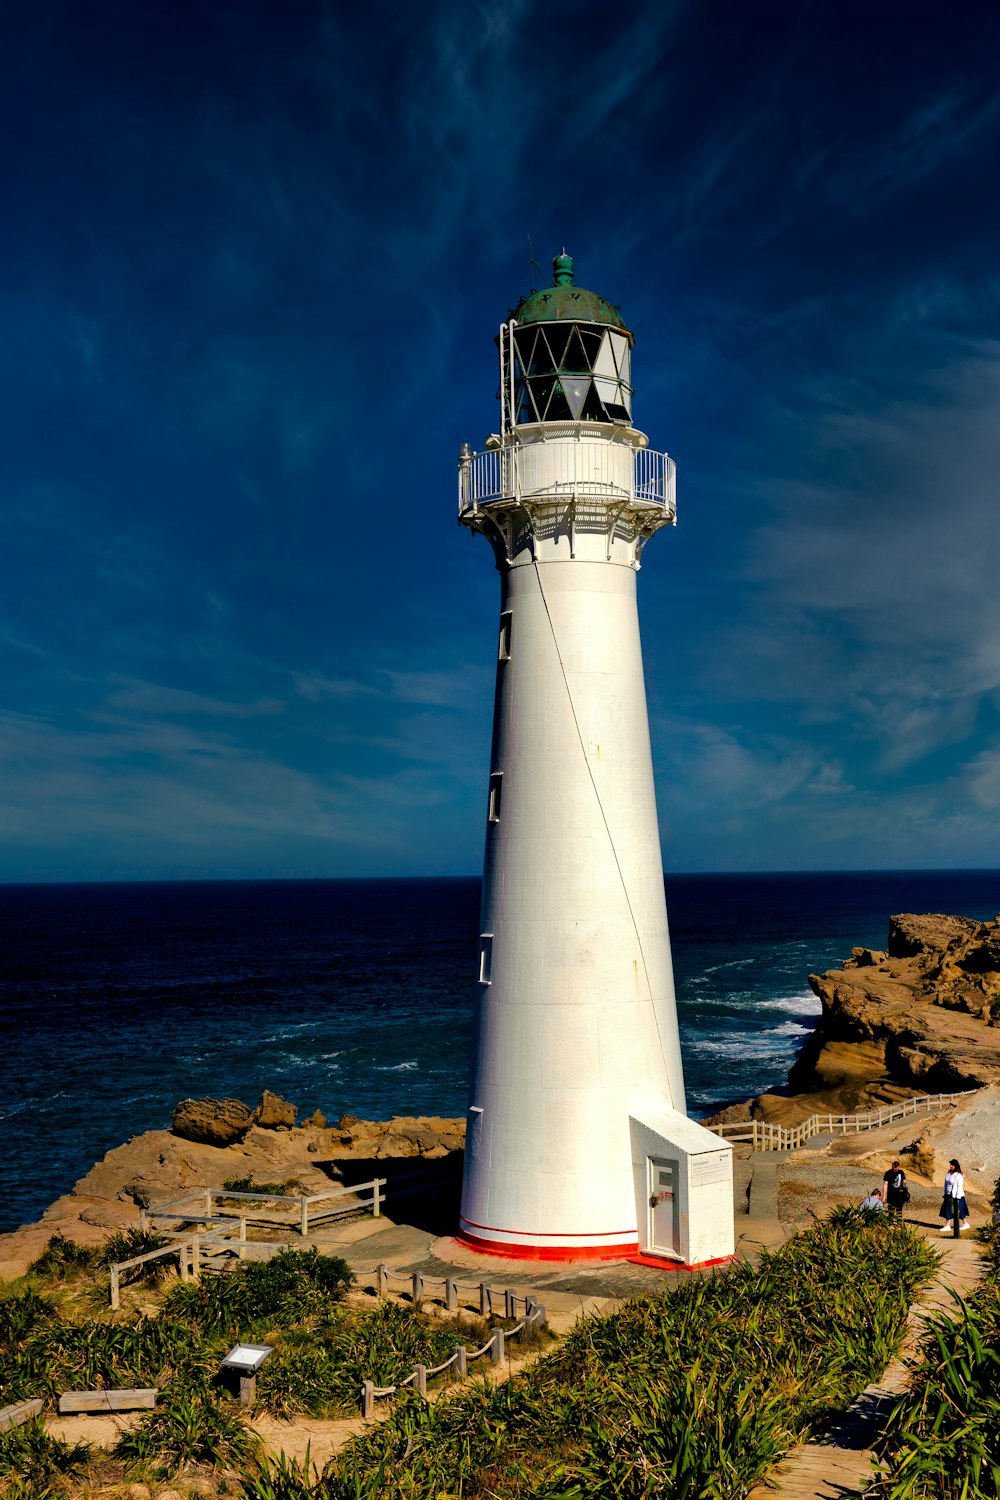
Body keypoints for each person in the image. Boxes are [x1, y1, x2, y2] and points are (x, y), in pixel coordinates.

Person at [940, 1158, 971, 1233]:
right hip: (948, 1195)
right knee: (947, 1209)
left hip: (957, 1196)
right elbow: (946, 1184)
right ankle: (947, 1225)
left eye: (952, 1165)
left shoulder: (958, 1175)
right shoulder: (948, 1173)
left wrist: (956, 1197)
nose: (951, 1166)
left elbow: (959, 1187)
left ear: (956, 1166)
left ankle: (965, 1223)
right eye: (950, 1165)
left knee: (960, 1210)